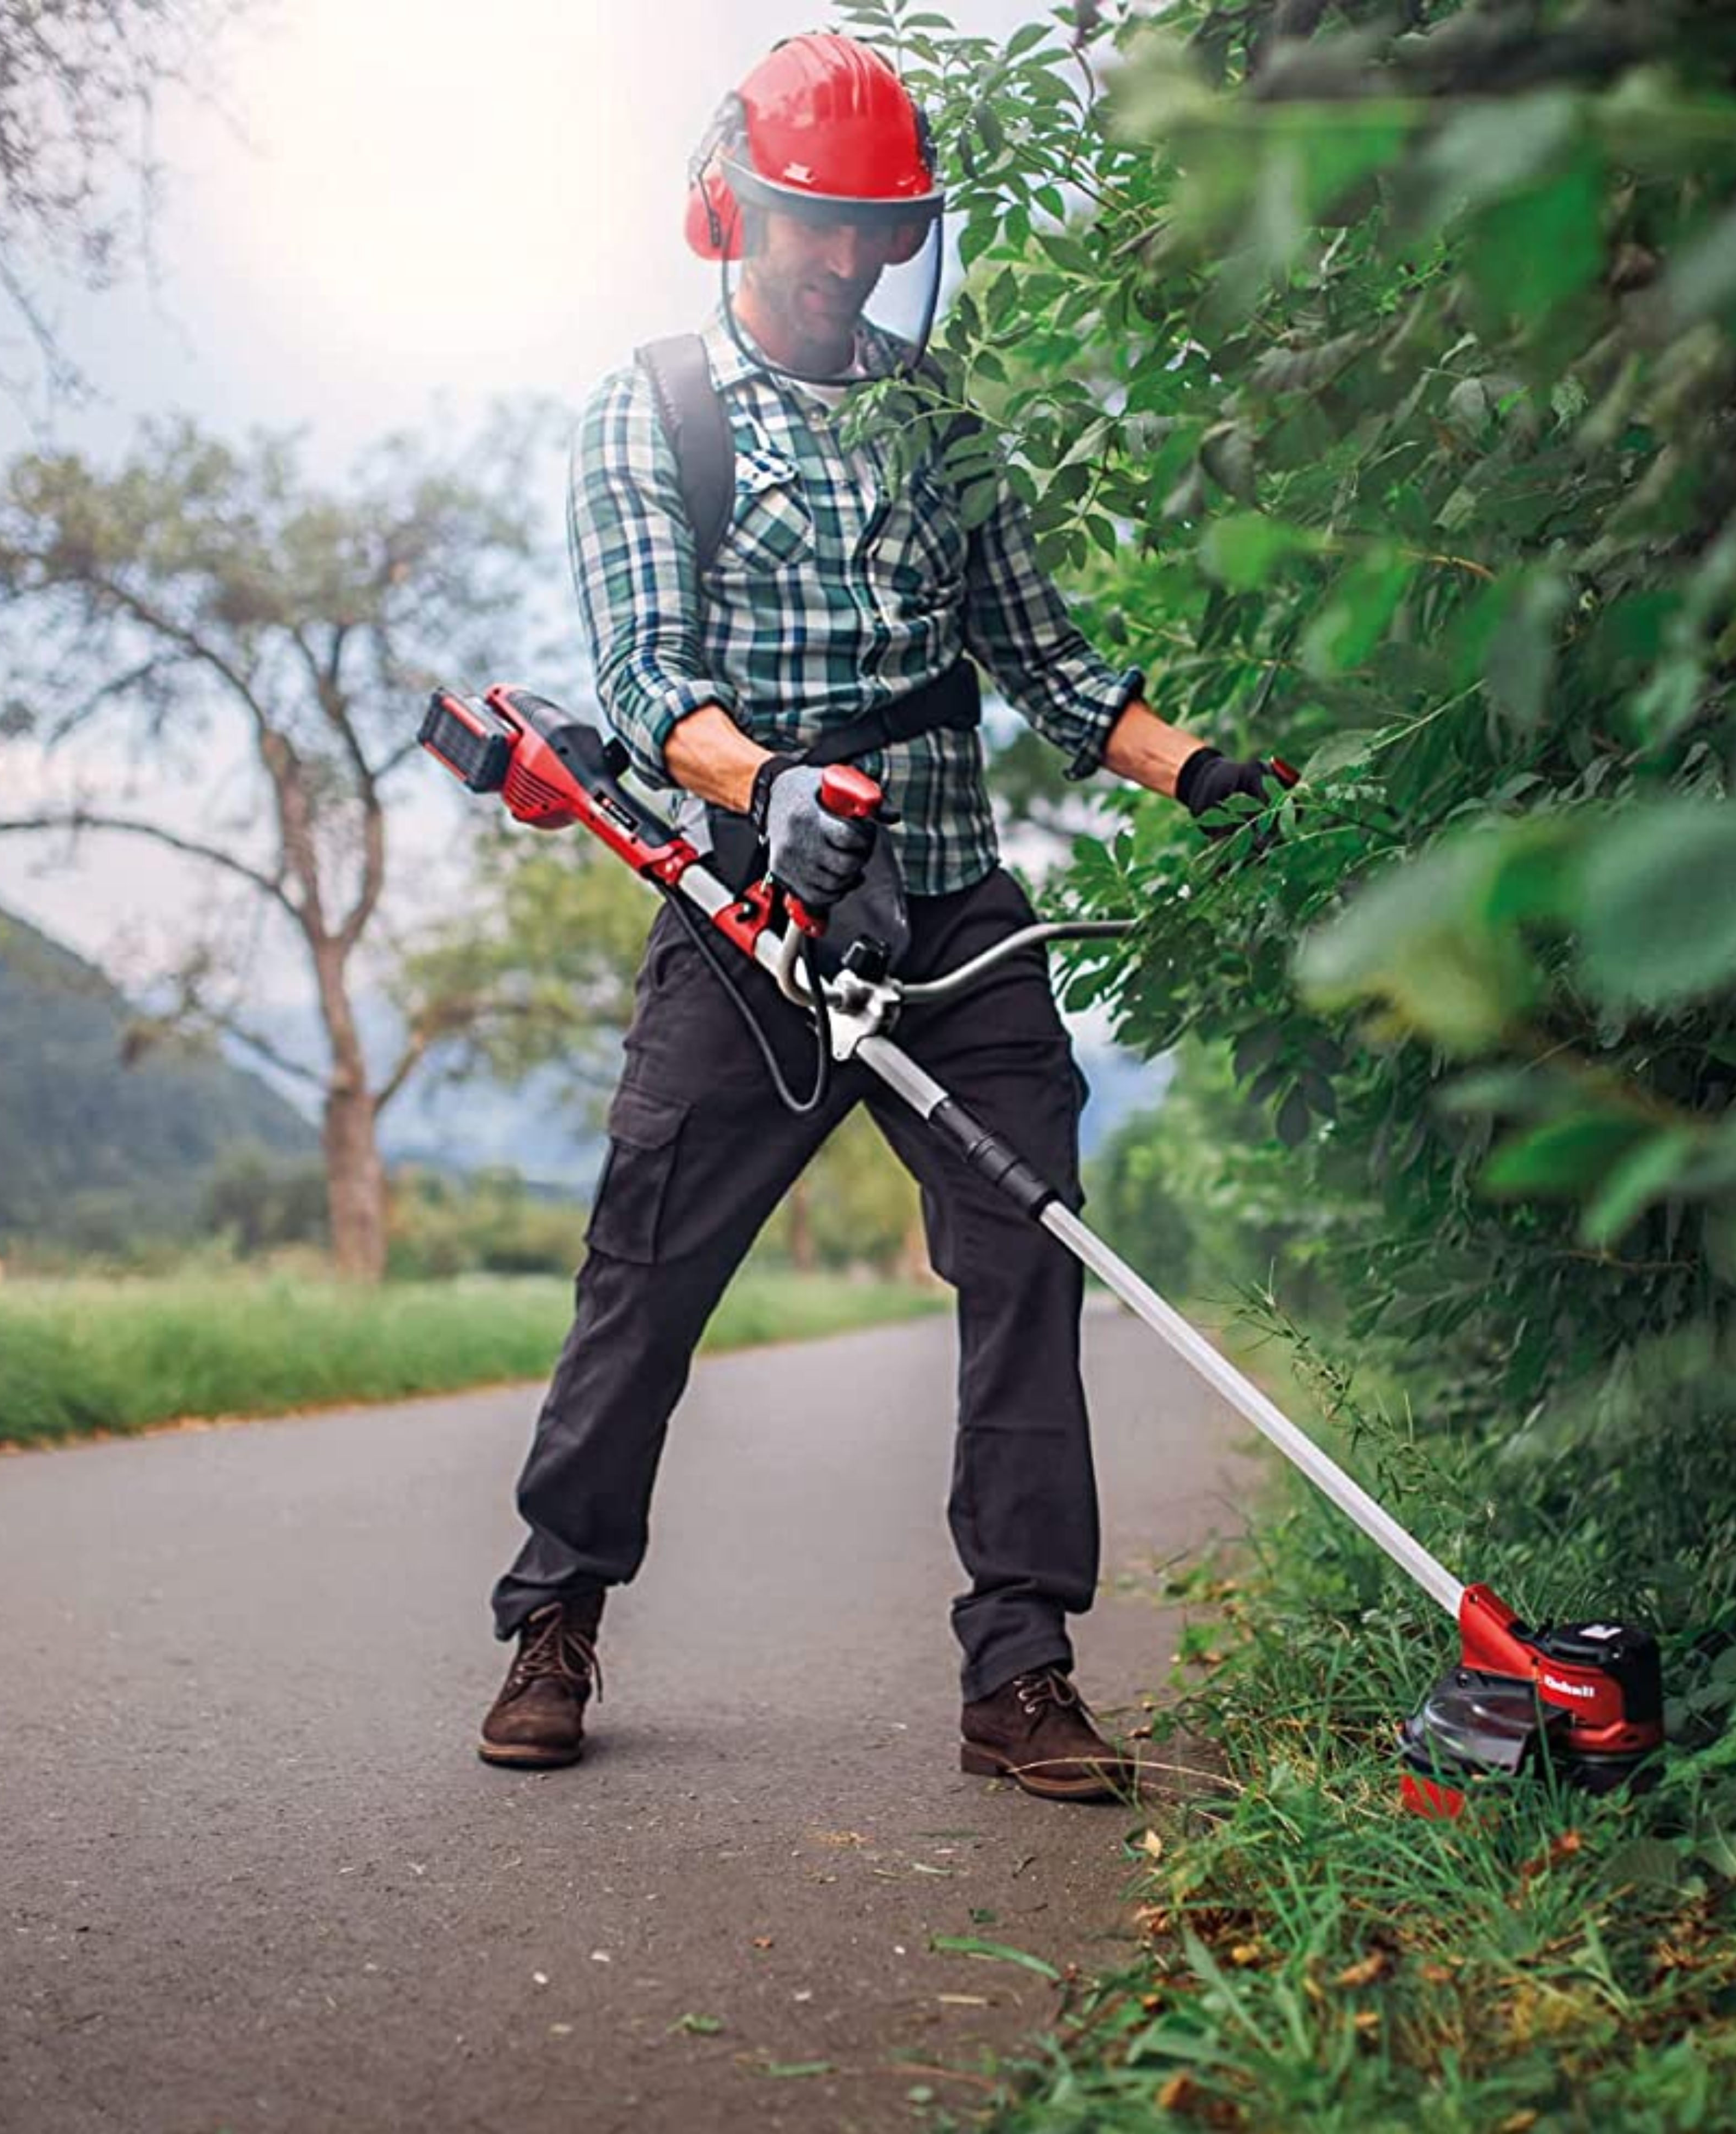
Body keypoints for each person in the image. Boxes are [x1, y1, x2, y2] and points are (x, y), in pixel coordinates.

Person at [476, 31, 1290, 1802]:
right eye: (811, 227)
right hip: (747, 917)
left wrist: (1204, 769)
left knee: (1028, 1264)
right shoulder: (654, 408)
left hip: (951, 916)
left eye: (876, 231)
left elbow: (1051, 664)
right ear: (732, 209)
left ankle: (1023, 1671)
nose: (844, 265)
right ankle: (555, 1614)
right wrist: (763, 786)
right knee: (647, 1278)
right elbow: (641, 680)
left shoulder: (939, 419)